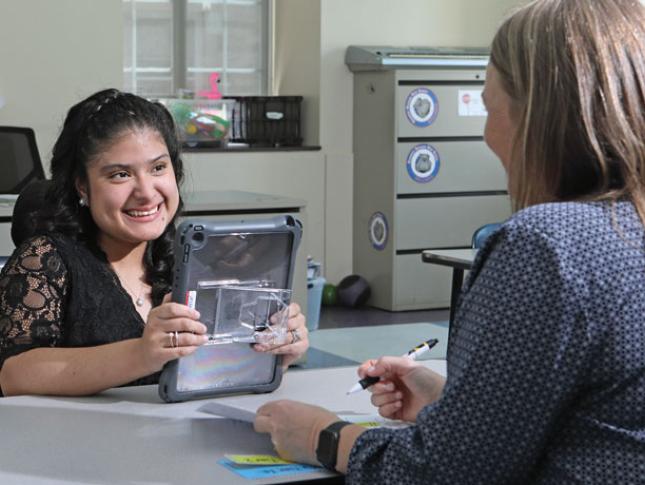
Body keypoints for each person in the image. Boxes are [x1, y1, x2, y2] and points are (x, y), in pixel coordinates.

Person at [254, 0, 645, 482]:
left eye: (489, 106)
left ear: (535, 116)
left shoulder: (547, 247)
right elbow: (606, 416)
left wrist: (323, 435)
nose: (485, 133)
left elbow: (447, 473)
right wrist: (454, 405)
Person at [0, 89, 308, 397]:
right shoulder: (45, 260)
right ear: (82, 185)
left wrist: (269, 355)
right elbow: (14, 374)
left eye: (158, 168)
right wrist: (142, 354)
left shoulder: (193, 260)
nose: (146, 192)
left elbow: (207, 374)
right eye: (120, 174)